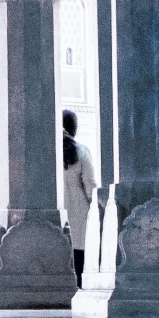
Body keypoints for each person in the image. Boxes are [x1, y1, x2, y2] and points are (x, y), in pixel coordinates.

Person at [61, 109, 97, 286]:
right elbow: (89, 185)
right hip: (79, 212)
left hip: (58, 214)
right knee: (79, 257)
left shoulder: (48, 154)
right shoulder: (81, 151)